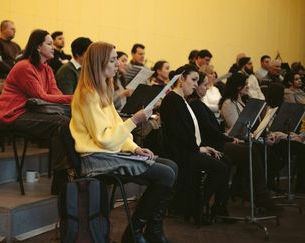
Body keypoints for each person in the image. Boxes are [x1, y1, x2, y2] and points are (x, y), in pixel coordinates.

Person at [70, 42, 177, 243]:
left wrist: (135, 147)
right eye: (112, 60)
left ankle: (153, 229)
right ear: (99, 63)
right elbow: (106, 140)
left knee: (170, 166)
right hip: (96, 158)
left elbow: (117, 130)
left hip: (107, 153)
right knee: (166, 173)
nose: (118, 65)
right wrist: (135, 120)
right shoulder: (88, 94)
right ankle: (135, 232)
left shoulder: (101, 90)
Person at [188, 72, 280, 212]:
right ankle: (260, 196)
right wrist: (229, 138)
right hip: (213, 145)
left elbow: (212, 130)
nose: (207, 88)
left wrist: (227, 136)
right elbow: (209, 131)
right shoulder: (196, 105)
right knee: (250, 150)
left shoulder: (199, 104)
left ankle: (242, 190)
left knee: (252, 150)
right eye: (204, 85)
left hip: (218, 141)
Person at [0, 29, 72, 194]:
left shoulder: (47, 69)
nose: (53, 47)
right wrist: (75, 98)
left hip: (31, 111)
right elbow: (41, 96)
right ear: (38, 47)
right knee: (63, 124)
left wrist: (73, 101)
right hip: (14, 114)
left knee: (69, 122)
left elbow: (55, 94)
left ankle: (65, 176)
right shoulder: (24, 67)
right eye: (49, 44)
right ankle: (63, 177)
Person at [159, 64, 230, 222]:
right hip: (180, 153)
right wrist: (200, 149)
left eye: (198, 81)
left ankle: (211, 207)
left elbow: (188, 133)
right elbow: (180, 134)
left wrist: (202, 147)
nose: (196, 84)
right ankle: (198, 205)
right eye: (193, 80)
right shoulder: (173, 100)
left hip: (188, 149)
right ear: (181, 79)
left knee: (224, 161)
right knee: (221, 168)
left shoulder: (180, 100)